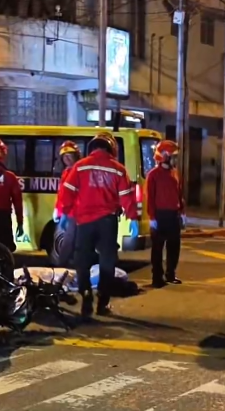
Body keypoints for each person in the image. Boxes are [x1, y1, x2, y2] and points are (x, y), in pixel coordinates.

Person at [59, 132, 139, 317]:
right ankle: (103, 302)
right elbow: (127, 197)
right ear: (111, 148)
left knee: (83, 260)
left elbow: (67, 193)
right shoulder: (118, 169)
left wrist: (65, 213)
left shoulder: (79, 167)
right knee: (107, 261)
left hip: (84, 222)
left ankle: (86, 293)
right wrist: (133, 218)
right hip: (108, 222)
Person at [145, 139, 186, 288]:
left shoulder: (174, 173)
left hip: (173, 214)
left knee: (174, 246)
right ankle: (157, 277)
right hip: (160, 215)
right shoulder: (153, 175)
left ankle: (171, 274)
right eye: (172, 155)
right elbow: (149, 197)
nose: (174, 158)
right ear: (163, 155)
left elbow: (179, 193)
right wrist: (152, 218)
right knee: (157, 248)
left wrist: (182, 211)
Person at [52, 141, 82, 264]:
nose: (67, 159)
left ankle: (64, 265)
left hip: (73, 213)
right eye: (65, 157)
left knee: (69, 242)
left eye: (70, 156)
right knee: (62, 242)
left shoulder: (79, 171)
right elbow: (62, 194)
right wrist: (57, 209)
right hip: (65, 212)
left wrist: (64, 212)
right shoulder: (66, 172)